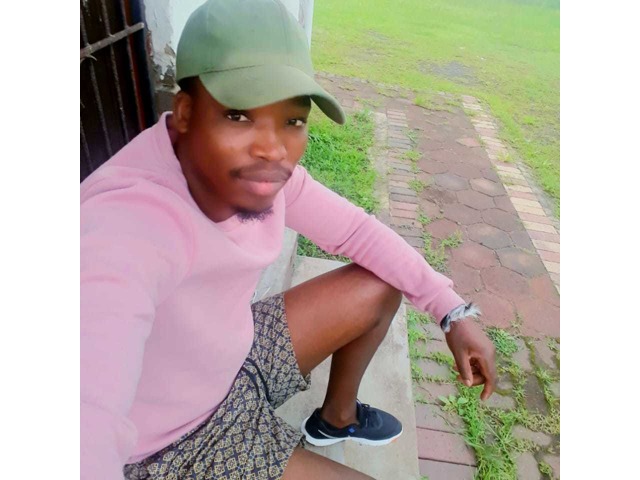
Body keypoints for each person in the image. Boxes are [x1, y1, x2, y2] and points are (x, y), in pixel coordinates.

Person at [80, 0, 497, 478]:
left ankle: (337, 417)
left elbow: (359, 231)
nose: (273, 149)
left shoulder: (260, 175)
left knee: (381, 281)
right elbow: (84, 409)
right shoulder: (126, 224)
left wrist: (452, 311)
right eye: (239, 115)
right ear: (187, 111)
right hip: (174, 445)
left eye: (292, 121)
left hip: (234, 359)